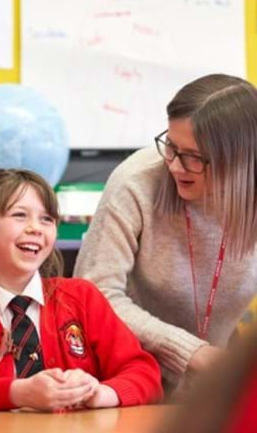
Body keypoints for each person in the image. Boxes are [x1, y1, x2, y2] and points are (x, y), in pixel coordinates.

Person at [73, 73, 257, 392]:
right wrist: (190, 351)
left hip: (211, 391)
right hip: (125, 379)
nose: (173, 165)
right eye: (170, 146)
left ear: (239, 161)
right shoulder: (136, 181)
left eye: (193, 157)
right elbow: (92, 294)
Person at [0, 169, 163, 411]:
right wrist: (20, 393)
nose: (36, 228)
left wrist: (98, 393)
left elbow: (145, 373)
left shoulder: (83, 297)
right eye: (20, 215)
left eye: (47, 219)